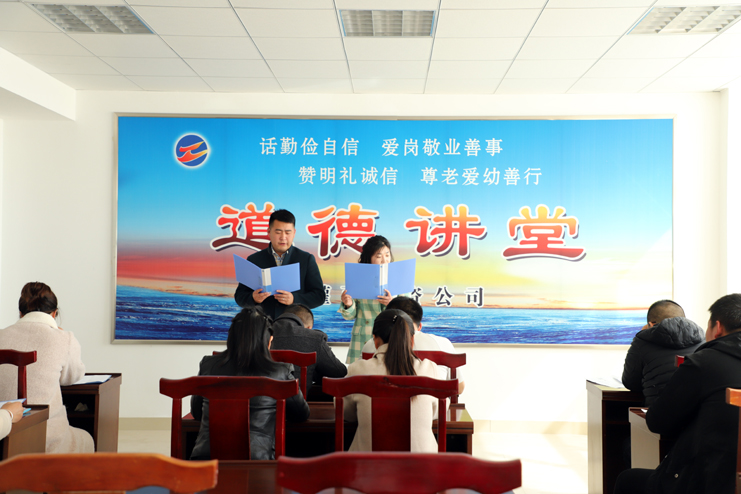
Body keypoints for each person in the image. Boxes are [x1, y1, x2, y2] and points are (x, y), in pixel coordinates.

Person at [614, 293, 741, 494]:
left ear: (717, 328)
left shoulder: (704, 362)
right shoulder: (701, 351)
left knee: (626, 480)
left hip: (710, 480)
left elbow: (657, 422)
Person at [190, 306, 310, 460]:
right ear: (269, 341)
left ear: (231, 339)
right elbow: (301, 414)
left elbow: (197, 412)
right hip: (258, 460)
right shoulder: (281, 371)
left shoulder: (208, 365)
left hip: (206, 457)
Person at [0, 282, 94, 453]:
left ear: (20, 313)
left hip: (4, 436)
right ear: (54, 313)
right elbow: (72, 377)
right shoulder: (64, 338)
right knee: (87, 438)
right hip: (48, 439)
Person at [344, 309, 440, 452]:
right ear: (412, 340)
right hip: (423, 463)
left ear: (375, 340)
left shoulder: (357, 369)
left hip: (367, 463)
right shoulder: (429, 369)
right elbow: (437, 412)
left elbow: (347, 414)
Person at [361, 296, 466, 394]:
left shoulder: (371, 344)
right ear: (419, 327)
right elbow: (459, 388)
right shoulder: (442, 343)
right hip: (430, 406)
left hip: (378, 406)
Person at [234, 209, 324, 319]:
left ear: (294, 233)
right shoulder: (254, 260)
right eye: (278, 232)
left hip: (294, 324)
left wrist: (294, 299)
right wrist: (253, 298)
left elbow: (319, 296)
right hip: (262, 324)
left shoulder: (306, 259)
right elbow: (239, 297)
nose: (283, 237)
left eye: (288, 232)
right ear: (269, 232)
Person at [621, 299, 704, 406]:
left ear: (651, 324)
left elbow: (630, 383)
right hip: (698, 412)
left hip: (659, 411)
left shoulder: (642, 341)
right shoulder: (703, 338)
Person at [340, 235, 395, 364]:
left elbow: (406, 314)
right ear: (369, 257)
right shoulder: (358, 278)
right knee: (360, 374)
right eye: (378, 256)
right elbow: (349, 316)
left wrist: (392, 304)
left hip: (389, 337)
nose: (384, 260)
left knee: (386, 371)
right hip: (363, 338)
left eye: (387, 255)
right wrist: (348, 304)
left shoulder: (398, 277)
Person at [270, 304, 347, 395]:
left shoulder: (260, 333)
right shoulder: (315, 338)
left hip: (259, 400)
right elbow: (339, 373)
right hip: (298, 401)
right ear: (309, 328)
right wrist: (312, 371)